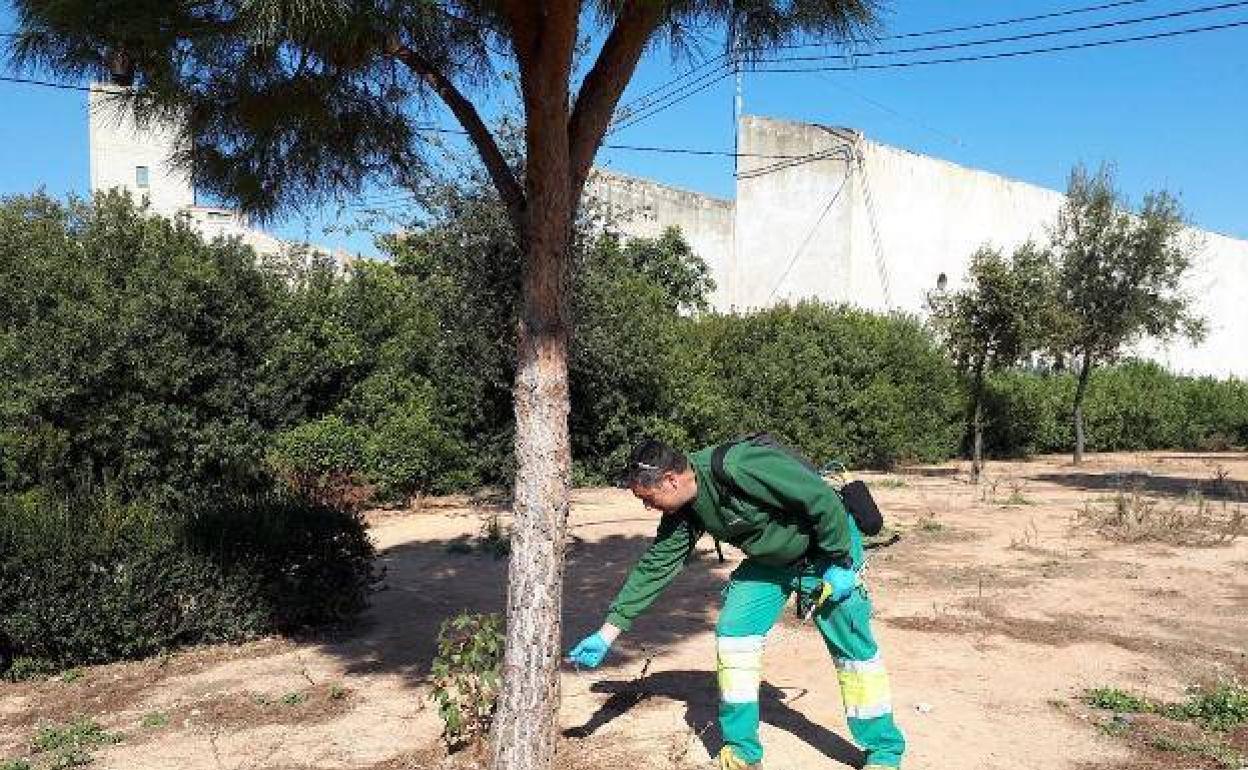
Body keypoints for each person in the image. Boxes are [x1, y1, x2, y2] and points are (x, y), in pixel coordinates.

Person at [567, 437, 906, 770]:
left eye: (649, 499)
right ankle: (742, 751)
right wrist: (607, 634)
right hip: (769, 562)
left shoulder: (739, 466)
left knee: (854, 654)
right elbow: (654, 569)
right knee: (734, 637)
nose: (649, 508)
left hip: (828, 551)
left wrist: (840, 562)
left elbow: (821, 499)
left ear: (670, 480)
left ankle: (883, 751)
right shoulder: (684, 509)